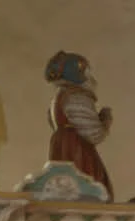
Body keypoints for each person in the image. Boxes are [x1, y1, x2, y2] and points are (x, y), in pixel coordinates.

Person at [44, 52, 114, 197]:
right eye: (87, 73)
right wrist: (105, 120)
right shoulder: (76, 96)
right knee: (85, 191)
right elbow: (94, 134)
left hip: (62, 148)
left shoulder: (59, 97)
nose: (91, 78)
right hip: (77, 151)